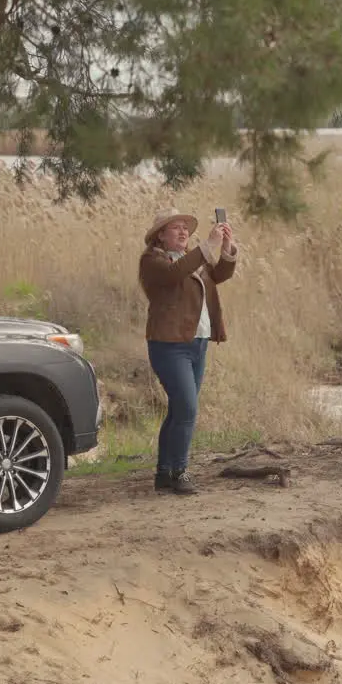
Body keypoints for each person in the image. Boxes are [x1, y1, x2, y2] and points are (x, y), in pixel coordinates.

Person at [138, 207, 239, 495]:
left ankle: (164, 473)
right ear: (161, 235)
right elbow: (173, 275)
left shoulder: (191, 260)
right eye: (176, 228)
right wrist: (207, 246)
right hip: (169, 345)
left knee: (179, 410)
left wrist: (227, 250)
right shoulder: (152, 261)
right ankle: (180, 471)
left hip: (198, 343)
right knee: (187, 409)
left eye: (186, 228)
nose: (183, 232)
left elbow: (218, 274)